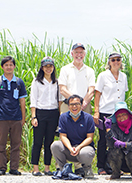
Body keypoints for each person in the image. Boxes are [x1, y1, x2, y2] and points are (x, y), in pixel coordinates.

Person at [58, 43, 95, 175]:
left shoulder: (89, 70)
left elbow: (91, 89)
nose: (79, 55)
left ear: (84, 55)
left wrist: (83, 102)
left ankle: (81, 166)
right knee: (65, 133)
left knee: (83, 134)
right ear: (72, 54)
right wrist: (74, 101)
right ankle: (61, 167)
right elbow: (62, 88)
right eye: (76, 52)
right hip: (67, 104)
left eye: (81, 52)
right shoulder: (65, 69)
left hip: (85, 104)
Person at [0, 56, 27, 176]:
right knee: (1, 144)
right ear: (2, 67)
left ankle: (14, 168)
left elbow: (22, 101)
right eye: (6, 65)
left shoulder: (19, 82)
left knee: (16, 144)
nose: (9, 67)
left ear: (14, 66)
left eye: (11, 65)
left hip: (16, 118)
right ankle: (1, 168)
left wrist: (23, 117)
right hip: (1, 118)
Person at [93, 53, 128, 175]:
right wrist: (96, 111)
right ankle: (100, 166)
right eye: (113, 60)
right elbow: (97, 94)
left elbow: (123, 95)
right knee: (103, 139)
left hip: (119, 113)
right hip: (105, 112)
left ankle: (114, 166)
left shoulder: (124, 76)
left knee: (117, 140)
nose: (116, 62)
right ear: (109, 62)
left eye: (118, 59)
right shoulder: (103, 76)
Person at [30, 57, 62, 176]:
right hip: (40, 112)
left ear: (53, 68)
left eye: (50, 66)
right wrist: (33, 117)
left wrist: (59, 116)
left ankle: (47, 168)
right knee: (37, 141)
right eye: (46, 66)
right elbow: (33, 99)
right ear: (42, 68)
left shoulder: (56, 82)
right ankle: (35, 168)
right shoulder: (37, 82)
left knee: (50, 142)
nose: (48, 68)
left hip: (53, 113)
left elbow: (59, 101)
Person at [50, 95, 95, 178]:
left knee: (86, 153)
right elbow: (63, 136)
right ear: (68, 106)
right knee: (55, 145)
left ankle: (87, 169)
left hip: (83, 149)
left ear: (81, 105)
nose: (74, 106)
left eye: (77, 104)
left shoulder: (88, 118)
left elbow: (90, 138)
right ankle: (63, 169)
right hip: (69, 149)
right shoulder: (63, 117)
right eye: (71, 104)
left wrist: (79, 147)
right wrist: (70, 148)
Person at [105, 102, 132, 180]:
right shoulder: (114, 127)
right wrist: (108, 131)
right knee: (113, 152)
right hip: (119, 160)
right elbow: (110, 145)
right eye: (119, 116)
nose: (121, 117)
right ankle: (115, 173)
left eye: (124, 114)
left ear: (129, 115)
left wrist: (126, 145)